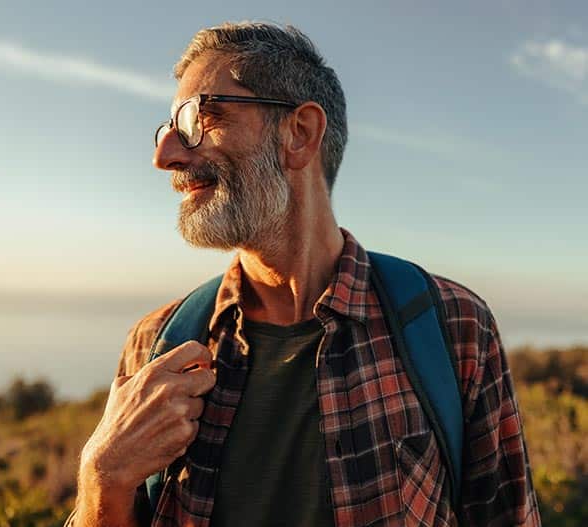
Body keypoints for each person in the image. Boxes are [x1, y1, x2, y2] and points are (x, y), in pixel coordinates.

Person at [66, 21, 540, 527]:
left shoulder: (452, 327)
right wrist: (103, 478)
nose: (167, 156)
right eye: (169, 131)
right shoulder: (157, 345)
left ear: (300, 133)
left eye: (199, 119)